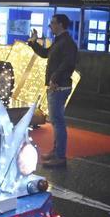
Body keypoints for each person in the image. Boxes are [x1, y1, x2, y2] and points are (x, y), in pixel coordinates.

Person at [28, 14, 79, 167]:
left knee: (58, 122)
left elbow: (68, 64)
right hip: (56, 84)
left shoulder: (67, 43)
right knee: (56, 121)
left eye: (52, 23)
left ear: (61, 24)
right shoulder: (60, 41)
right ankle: (56, 152)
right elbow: (45, 54)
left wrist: (54, 78)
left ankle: (60, 156)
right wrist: (33, 43)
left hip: (59, 85)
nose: (50, 26)